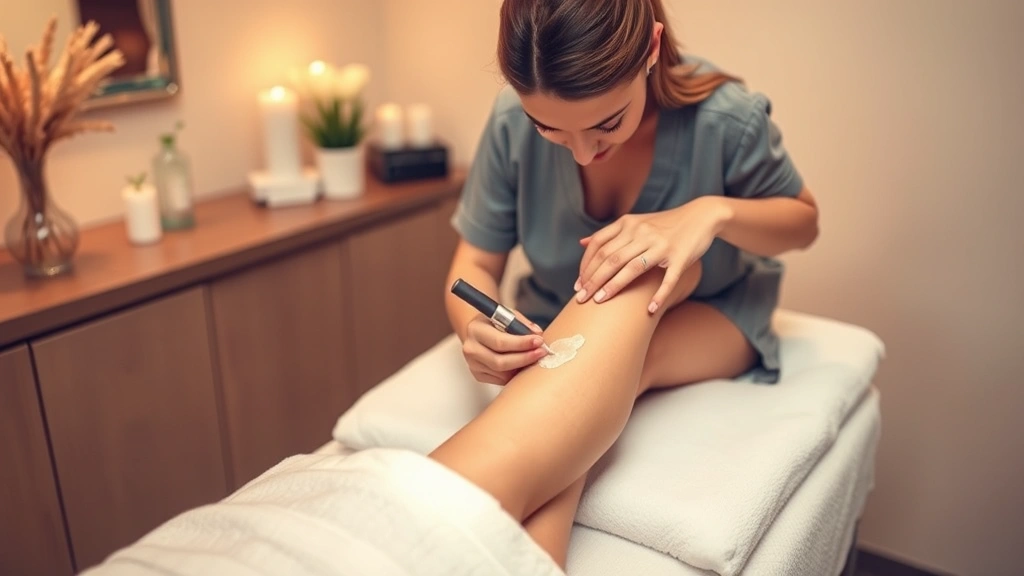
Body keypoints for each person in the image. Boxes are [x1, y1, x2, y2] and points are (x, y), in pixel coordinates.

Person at [431, 0, 820, 568]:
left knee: (634, 306)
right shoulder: (511, 122)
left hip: (710, 312)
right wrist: (471, 326)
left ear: (651, 50)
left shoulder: (726, 120)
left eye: (606, 122)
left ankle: (417, 521)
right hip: (562, 319)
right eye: (552, 130)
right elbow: (473, 266)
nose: (585, 153)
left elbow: (804, 225)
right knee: (582, 375)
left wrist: (711, 213)